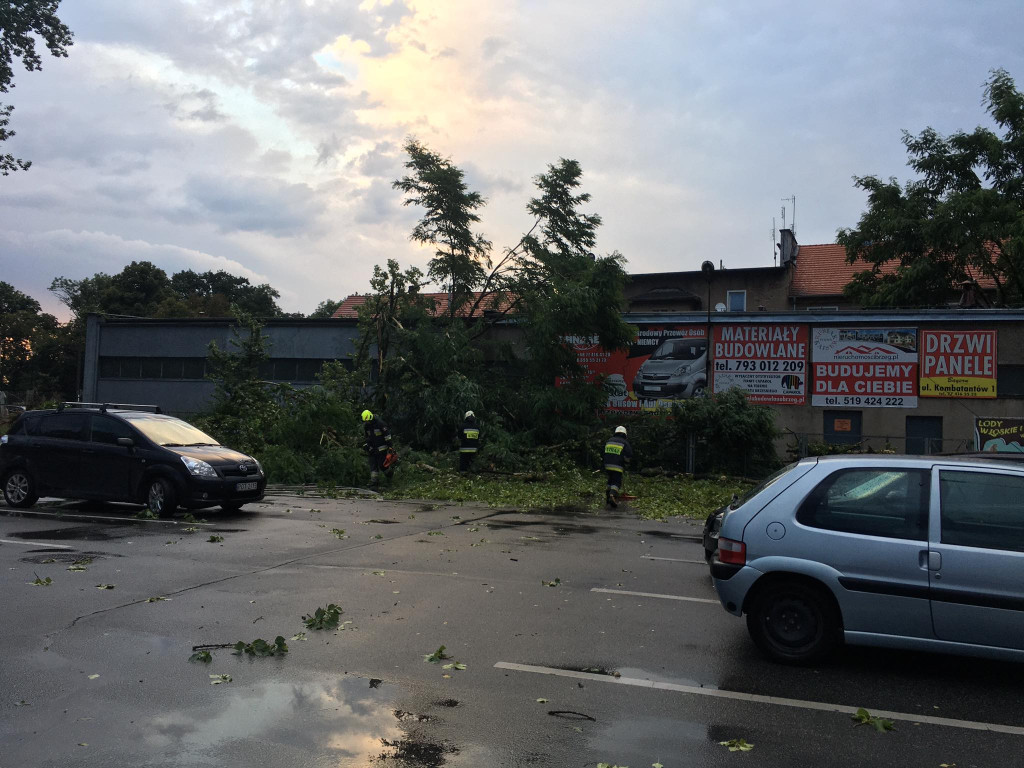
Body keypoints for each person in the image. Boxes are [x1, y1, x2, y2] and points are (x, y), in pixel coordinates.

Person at [603, 425, 633, 508]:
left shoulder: (609, 440)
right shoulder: (624, 443)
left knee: (610, 480)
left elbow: (604, 453)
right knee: (616, 482)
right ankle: (612, 494)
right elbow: (629, 455)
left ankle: (608, 496)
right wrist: (626, 462)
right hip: (617, 466)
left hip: (607, 465)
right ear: (625, 434)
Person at [361, 409, 393, 486]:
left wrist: (390, 446)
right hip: (372, 448)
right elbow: (367, 437)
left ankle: (390, 474)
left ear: (371, 417)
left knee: (382, 465)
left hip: (382, 447)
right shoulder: (367, 426)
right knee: (373, 465)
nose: (367, 422)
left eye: (368, 420)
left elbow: (387, 435)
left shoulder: (380, 424)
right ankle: (374, 482)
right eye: (366, 421)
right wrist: (367, 446)